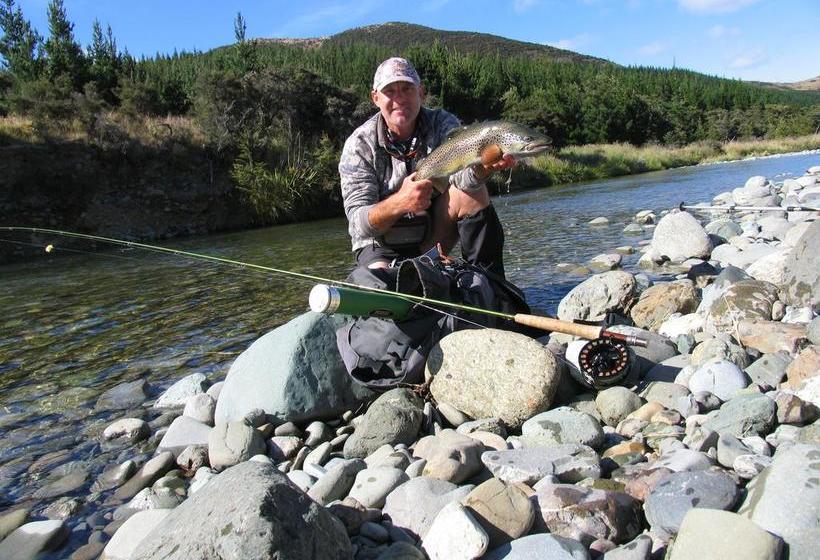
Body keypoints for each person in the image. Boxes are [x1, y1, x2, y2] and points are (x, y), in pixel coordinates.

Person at [339, 57, 516, 278]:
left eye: (407, 89)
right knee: (382, 285)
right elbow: (358, 224)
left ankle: (488, 286)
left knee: (475, 191)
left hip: (431, 238)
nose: (399, 98)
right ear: (375, 98)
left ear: (421, 93)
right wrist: (400, 203)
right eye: (390, 91)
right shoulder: (359, 145)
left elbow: (461, 179)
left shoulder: (442, 123)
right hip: (380, 249)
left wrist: (481, 170)